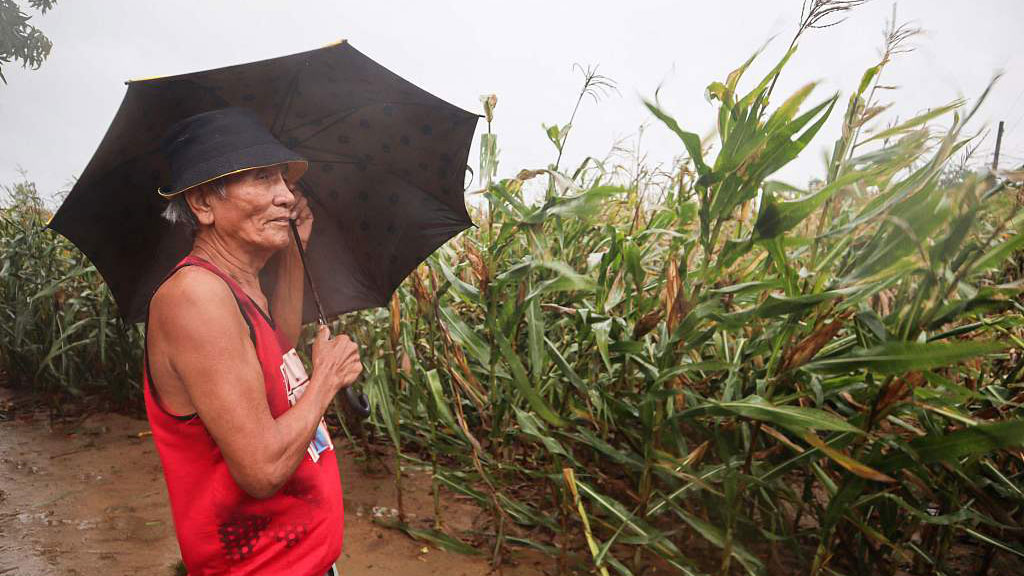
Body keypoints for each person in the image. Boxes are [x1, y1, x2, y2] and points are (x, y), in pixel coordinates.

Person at [142, 107, 359, 576]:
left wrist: (298, 248)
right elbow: (261, 469)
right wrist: (325, 380)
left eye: (283, 177)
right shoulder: (196, 297)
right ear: (202, 203)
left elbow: (275, 345)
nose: (287, 195)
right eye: (263, 178)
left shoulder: (239, 286)